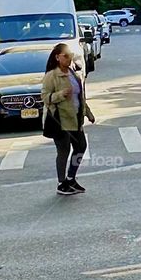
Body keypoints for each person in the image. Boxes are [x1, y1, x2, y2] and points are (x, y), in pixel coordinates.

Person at [41, 43, 96, 196]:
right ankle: (61, 183)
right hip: (60, 119)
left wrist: (88, 113)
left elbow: (80, 97)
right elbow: (45, 97)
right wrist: (60, 94)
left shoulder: (74, 74)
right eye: (65, 56)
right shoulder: (52, 76)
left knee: (81, 146)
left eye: (70, 55)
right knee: (63, 151)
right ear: (57, 57)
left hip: (75, 118)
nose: (69, 58)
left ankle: (71, 178)